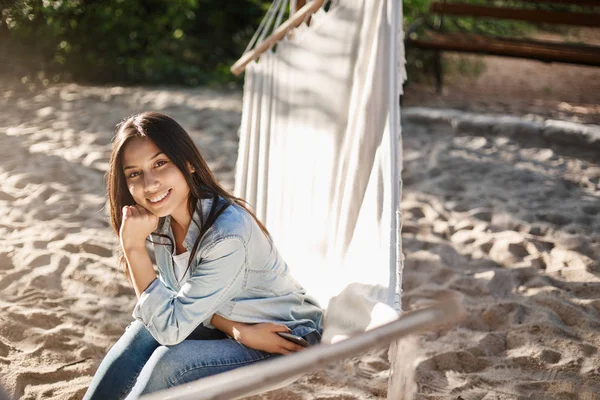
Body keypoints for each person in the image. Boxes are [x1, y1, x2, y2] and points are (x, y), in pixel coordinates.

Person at [83, 112, 323, 399]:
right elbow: (177, 303)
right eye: (135, 173)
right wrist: (236, 329)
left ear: (188, 163)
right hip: (238, 327)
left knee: (171, 362)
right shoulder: (164, 222)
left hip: (281, 338)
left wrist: (133, 248)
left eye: (160, 163)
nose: (149, 184)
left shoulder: (226, 236)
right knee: (141, 334)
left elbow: (170, 328)